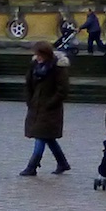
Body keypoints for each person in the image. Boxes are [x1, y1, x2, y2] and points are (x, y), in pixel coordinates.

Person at [20, 40, 71, 176]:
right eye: (36, 54)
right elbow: (28, 84)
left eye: (40, 54)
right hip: (35, 106)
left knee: (40, 136)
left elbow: (63, 90)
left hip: (50, 110)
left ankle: (32, 166)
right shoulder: (34, 66)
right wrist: (29, 100)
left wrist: (50, 104)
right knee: (48, 137)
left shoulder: (58, 68)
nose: (38, 57)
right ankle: (62, 163)